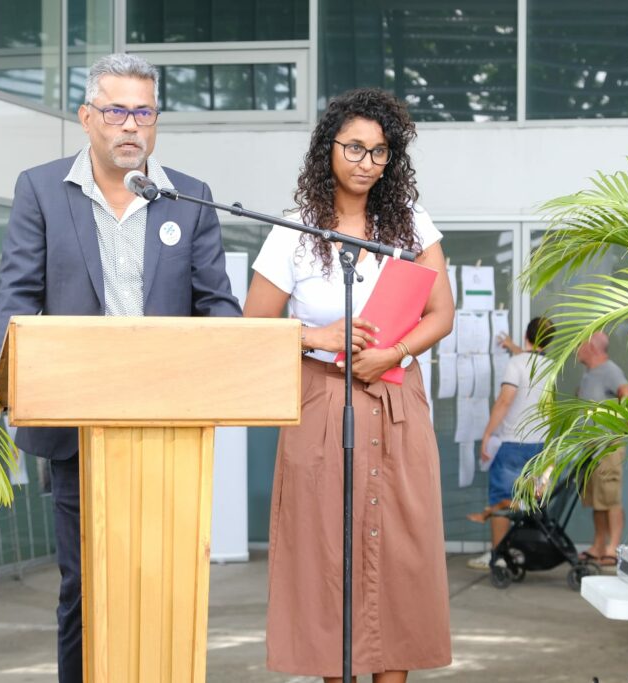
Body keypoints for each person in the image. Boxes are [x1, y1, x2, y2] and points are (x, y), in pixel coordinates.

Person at [0, 53, 241, 683]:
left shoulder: (188, 197)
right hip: (77, 430)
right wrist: (1, 370)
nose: (132, 126)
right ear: (87, 116)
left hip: (170, 434)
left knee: (167, 592)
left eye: (144, 112)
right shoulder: (41, 188)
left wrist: (235, 355)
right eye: (117, 111)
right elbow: (15, 293)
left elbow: (218, 305)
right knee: (86, 590)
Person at [243, 88, 454, 682]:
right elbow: (254, 326)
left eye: (380, 152)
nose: (366, 162)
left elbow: (442, 313)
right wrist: (321, 335)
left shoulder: (412, 223)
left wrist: (393, 351)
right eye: (354, 148)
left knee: (401, 552)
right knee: (326, 553)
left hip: (396, 400)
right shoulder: (294, 229)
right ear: (327, 148)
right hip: (322, 402)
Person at [466, 317, 555, 570]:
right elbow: (530, 363)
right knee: (526, 501)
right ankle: (517, 550)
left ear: (527, 335)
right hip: (540, 446)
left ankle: (499, 555)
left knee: (501, 500)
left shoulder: (516, 364)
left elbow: (505, 401)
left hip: (513, 444)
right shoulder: (549, 365)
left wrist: (487, 434)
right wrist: (513, 346)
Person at [575, 332, 628, 567]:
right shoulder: (589, 373)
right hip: (589, 447)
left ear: (591, 347)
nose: (576, 349)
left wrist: (618, 429)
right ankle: (598, 544)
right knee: (595, 500)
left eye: (580, 344)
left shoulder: (611, 370)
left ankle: (613, 547)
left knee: (610, 498)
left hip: (607, 446)